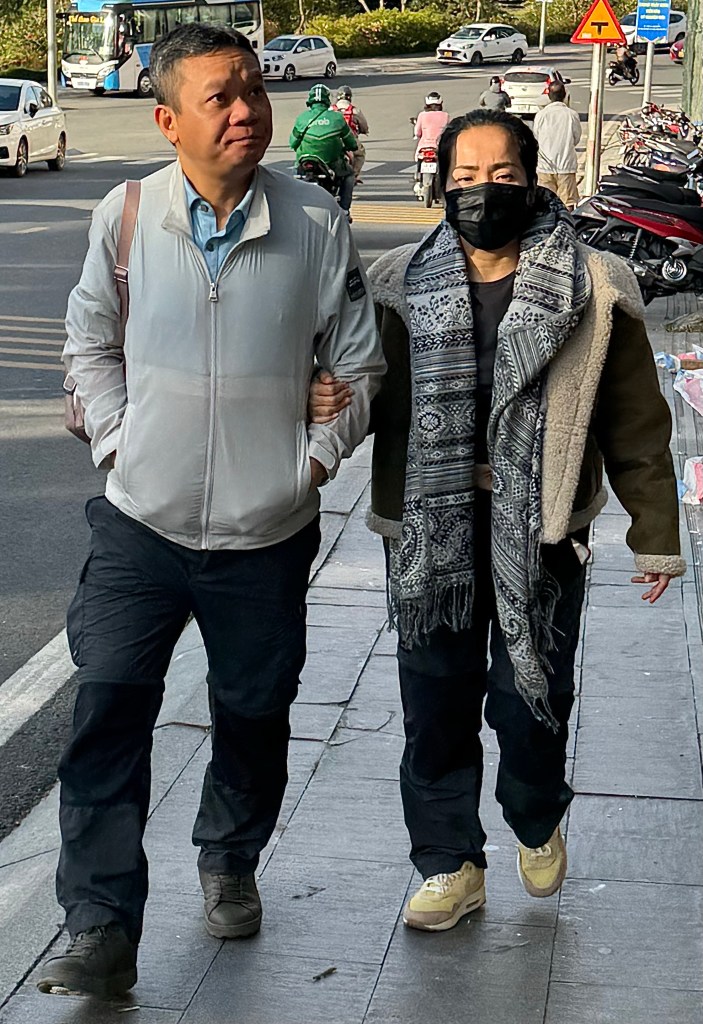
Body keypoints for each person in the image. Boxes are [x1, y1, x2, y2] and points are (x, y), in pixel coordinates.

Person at [38, 22, 385, 999]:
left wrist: (310, 461)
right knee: (108, 706)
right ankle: (100, 924)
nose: (245, 113)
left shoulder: (314, 221)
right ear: (167, 120)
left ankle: (229, 855)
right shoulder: (126, 213)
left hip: (265, 534)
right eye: (219, 98)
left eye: (253, 92)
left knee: (254, 709)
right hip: (138, 525)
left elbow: (359, 364)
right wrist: (120, 444)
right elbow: (87, 343)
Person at [310, 108, 684, 933]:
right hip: (426, 530)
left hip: (543, 528)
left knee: (530, 695)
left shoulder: (592, 285)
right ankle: (448, 864)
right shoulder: (396, 282)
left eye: (502, 176)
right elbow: (359, 385)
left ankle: (534, 809)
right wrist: (317, 407)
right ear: (443, 185)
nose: (484, 191)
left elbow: (633, 421)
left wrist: (654, 534)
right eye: (466, 177)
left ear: (531, 179)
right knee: (433, 703)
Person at [290, 83, 358, 218]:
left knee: (295, 176)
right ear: (327, 100)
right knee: (349, 174)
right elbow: (351, 143)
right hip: (331, 164)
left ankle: (294, 207)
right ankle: (344, 209)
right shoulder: (337, 118)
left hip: (304, 162)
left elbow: (292, 143)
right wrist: (349, 147)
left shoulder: (302, 118)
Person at [532, 81, 582, 210]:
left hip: (545, 166)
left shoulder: (541, 115)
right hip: (566, 165)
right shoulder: (571, 115)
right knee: (568, 202)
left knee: (546, 202)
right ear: (564, 95)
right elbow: (576, 138)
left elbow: (536, 137)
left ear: (549, 96)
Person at [412, 91, 450, 196]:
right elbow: (448, 132)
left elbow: (417, 132)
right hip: (440, 147)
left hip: (424, 147)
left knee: (419, 161)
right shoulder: (445, 116)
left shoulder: (422, 115)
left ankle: (418, 180)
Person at [332, 84, 369, 183]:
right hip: (350, 138)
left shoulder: (331, 110)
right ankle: (355, 175)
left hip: (333, 138)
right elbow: (364, 126)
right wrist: (364, 130)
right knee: (360, 154)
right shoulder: (355, 111)